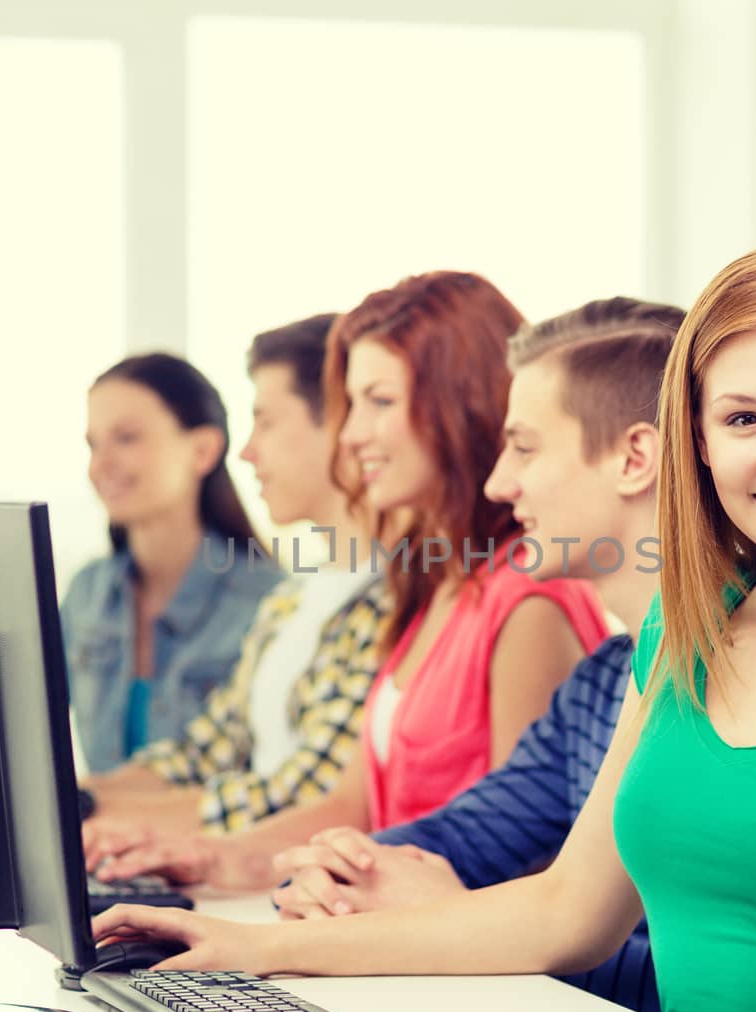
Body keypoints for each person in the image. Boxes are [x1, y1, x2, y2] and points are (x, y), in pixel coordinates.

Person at [91, 242, 756, 1012]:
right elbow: (565, 915)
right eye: (742, 420)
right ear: (695, 441)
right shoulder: (682, 641)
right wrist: (258, 952)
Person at [83, 271, 609, 888]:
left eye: (378, 402)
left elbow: (527, 861)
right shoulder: (432, 588)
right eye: (352, 404)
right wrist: (210, 857)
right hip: (390, 945)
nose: (351, 433)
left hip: (455, 968)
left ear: (457, 401)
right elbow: (351, 808)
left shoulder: (527, 602)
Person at [268, 297, 679, 1012]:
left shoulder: (730, 684)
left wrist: (460, 915)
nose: (499, 483)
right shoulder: (602, 683)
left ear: (634, 458)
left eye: (523, 447)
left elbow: (704, 983)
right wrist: (334, 873)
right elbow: (463, 833)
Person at [0, 352, 283, 837]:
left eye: (126, 438)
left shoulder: (268, 601)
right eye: (92, 444)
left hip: (210, 860)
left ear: (202, 450)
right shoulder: (90, 592)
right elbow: (15, 715)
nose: (101, 465)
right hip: (107, 846)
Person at [77, 313, 390, 834]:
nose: (245, 451)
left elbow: (302, 795)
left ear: (338, 423)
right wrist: (67, 804)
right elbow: (203, 753)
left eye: (265, 421)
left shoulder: (389, 601)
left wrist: (92, 819)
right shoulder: (291, 600)